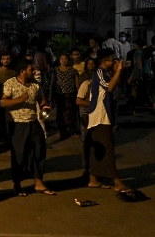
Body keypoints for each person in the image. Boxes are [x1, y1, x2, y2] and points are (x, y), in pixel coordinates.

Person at [0, 59, 55, 197]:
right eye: (31, 69)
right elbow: (3, 102)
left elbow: (41, 99)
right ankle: (17, 184)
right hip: (17, 123)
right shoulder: (10, 84)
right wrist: (20, 100)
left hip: (33, 121)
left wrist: (44, 106)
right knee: (19, 154)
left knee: (39, 150)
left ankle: (38, 181)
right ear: (23, 71)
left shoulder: (35, 85)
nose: (34, 72)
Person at [83, 49, 132, 192]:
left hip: (100, 115)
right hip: (101, 116)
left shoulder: (103, 73)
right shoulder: (100, 72)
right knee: (108, 149)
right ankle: (117, 182)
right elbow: (110, 87)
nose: (114, 62)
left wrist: (117, 72)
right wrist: (118, 71)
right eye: (112, 60)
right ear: (105, 61)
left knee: (99, 148)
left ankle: (93, 179)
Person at [76, 57, 98, 178]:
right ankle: (86, 169)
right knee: (86, 141)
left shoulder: (99, 80)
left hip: (97, 115)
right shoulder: (85, 81)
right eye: (88, 63)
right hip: (86, 114)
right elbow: (79, 100)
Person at [50, 53, 80, 139]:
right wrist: (51, 98)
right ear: (59, 60)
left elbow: (77, 83)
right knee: (60, 113)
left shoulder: (73, 70)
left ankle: (72, 130)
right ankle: (61, 130)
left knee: (71, 113)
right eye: (61, 59)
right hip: (60, 95)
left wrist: (78, 94)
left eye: (65, 59)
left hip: (71, 94)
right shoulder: (55, 71)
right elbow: (53, 84)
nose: (63, 60)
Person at [0, 53, 15, 150]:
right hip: (0, 99)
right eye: (4, 59)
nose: (6, 60)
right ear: (1, 61)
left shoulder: (13, 72)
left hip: (10, 99)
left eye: (7, 58)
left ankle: (9, 139)